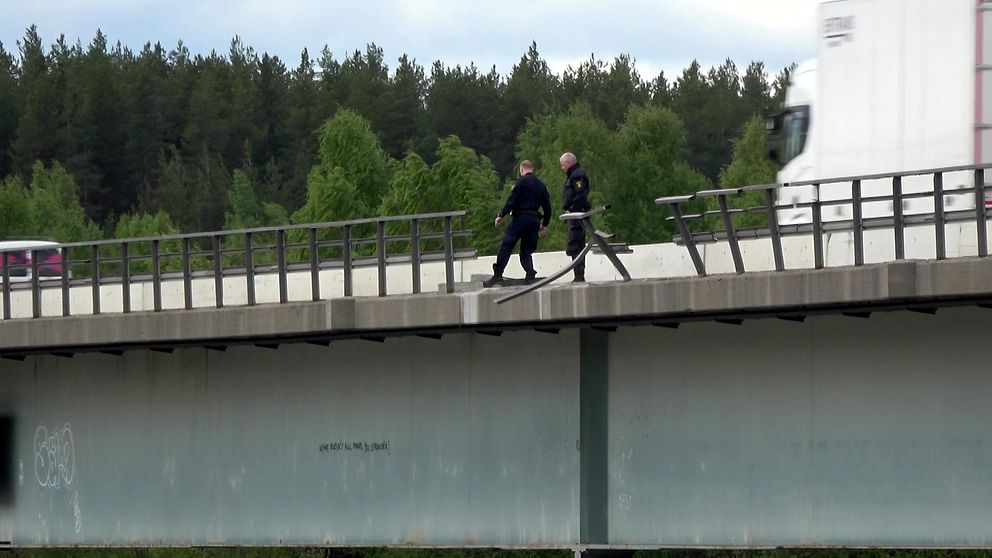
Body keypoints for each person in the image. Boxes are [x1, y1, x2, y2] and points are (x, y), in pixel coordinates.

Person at [483, 160, 552, 287]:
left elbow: (511, 202)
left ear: (522, 169)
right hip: (533, 221)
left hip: (520, 219)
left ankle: (498, 275)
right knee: (526, 251)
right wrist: (545, 224)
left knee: (506, 246)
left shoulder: (520, 183)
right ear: (532, 169)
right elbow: (548, 207)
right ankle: (530, 275)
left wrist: (500, 215)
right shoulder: (541, 185)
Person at [559, 152, 591, 282]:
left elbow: (581, 195)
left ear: (568, 163)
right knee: (574, 244)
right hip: (574, 215)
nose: (562, 168)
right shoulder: (573, 175)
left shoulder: (577, 175)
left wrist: (572, 209)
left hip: (577, 215)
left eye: (562, 165)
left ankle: (579, 275)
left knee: (576, 244)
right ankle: (578, 274)